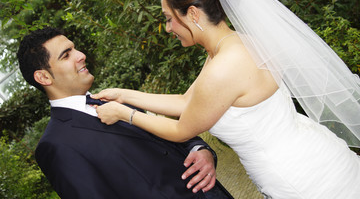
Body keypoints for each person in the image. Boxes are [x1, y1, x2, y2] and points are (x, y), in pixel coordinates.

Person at [92, 0, 360, 198]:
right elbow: (187, 102)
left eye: (169, 18)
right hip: (315, 152)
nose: (169, 28)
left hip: (297, 176)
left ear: (194, 14)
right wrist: (124, 94)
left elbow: (181, 130)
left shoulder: (223, 68)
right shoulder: (237, 44)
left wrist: (123, 114)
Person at [16, 27, 234, 199]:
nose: (81, 55)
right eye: (66, 55)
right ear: (44, 77)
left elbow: (165, 130)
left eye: (75, 49)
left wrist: (200, 148)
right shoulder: (55, 146)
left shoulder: (112, 98)